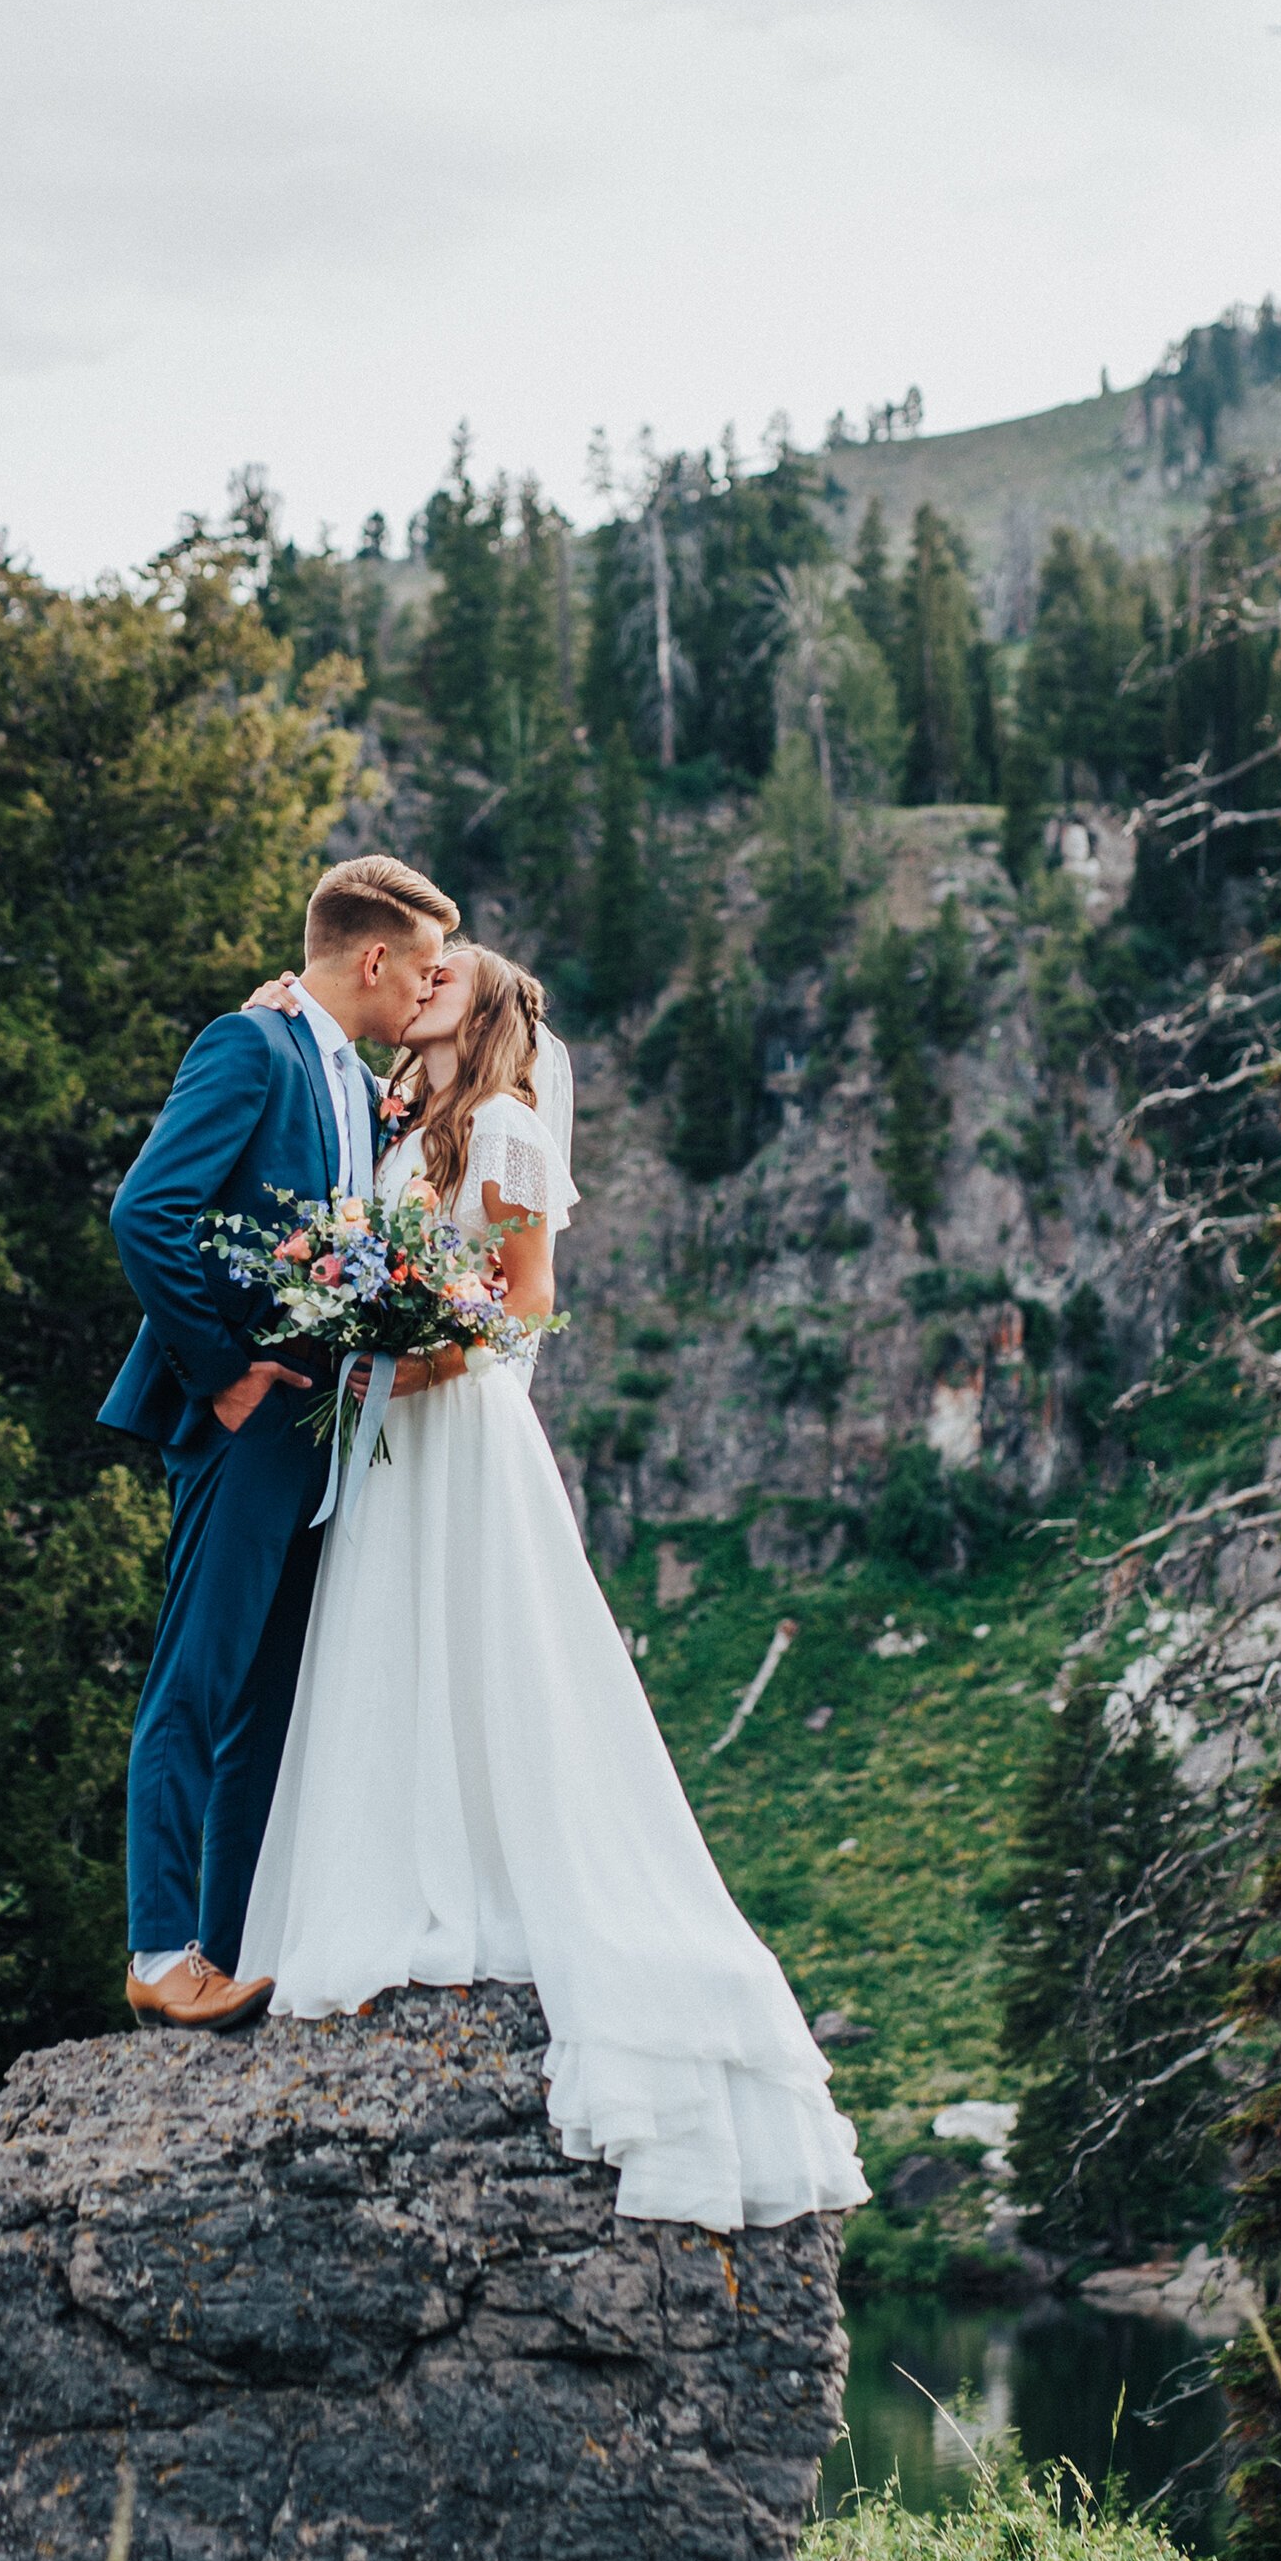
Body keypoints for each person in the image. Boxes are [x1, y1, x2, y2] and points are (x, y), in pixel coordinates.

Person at [237, 943, 869, 2235]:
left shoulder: (512, 1128)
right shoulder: (400, 1124)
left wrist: (412, 1359)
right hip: (390, 1436)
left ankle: (511, 1892)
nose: (420, 984)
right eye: (413, 973)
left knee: (498, 1655)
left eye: (445, 976)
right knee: (384, 1651)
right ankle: (392, 1876)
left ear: (488, 1010)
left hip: (462, 1431)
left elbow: (527, 1301)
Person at [99, 853, 456, 2032]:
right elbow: (147, 1213)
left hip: (325, 1435)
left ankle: (232, 1944)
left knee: (266, 1702)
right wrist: (221, 1374)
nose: (427, 986)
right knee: (196, 1681)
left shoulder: (349, 1078)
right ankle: (158, 1951)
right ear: (370, 958)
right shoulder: (250, 1047)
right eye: (419, 965)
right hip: (249, 1421)